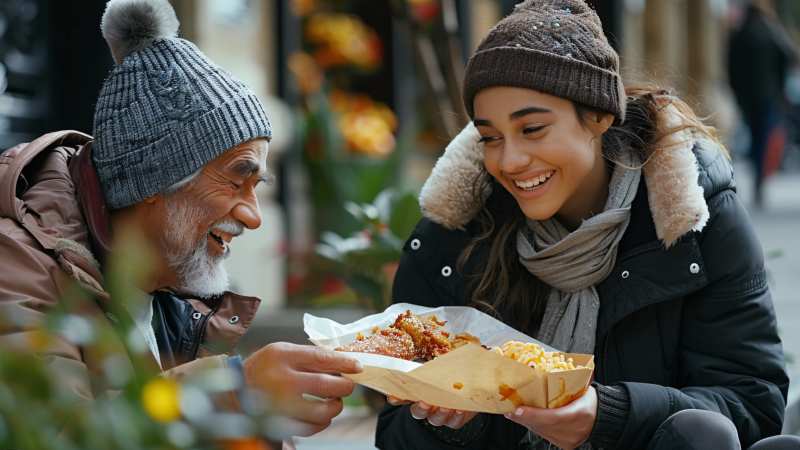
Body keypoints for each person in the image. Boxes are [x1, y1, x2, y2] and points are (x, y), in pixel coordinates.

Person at [377, 1, 796, 449]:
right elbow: (395, 434)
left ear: (597, 116)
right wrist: (455, 419)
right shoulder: (452, 239)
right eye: (490, 138)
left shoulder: (694, 219)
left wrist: (610, 415)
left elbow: (751, 404)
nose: (510, 160)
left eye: (533, 129)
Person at [0, 0, 359, 440]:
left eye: (257, 186)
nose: (254, 216)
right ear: (154, 180)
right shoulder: (14, 264)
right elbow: (50, 435)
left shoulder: (180, 276)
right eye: (235, 181)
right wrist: (227, 393)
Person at [727, 0, 795, 207]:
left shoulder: (740, 34)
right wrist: (780, 85)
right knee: (762, 136)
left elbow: (731, 66)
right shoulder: (770, 32)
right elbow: (788, 55)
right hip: (768, 95)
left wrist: (736, 91)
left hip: (747, 96)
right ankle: (760, 176)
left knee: (756, 134)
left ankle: (758, 172)